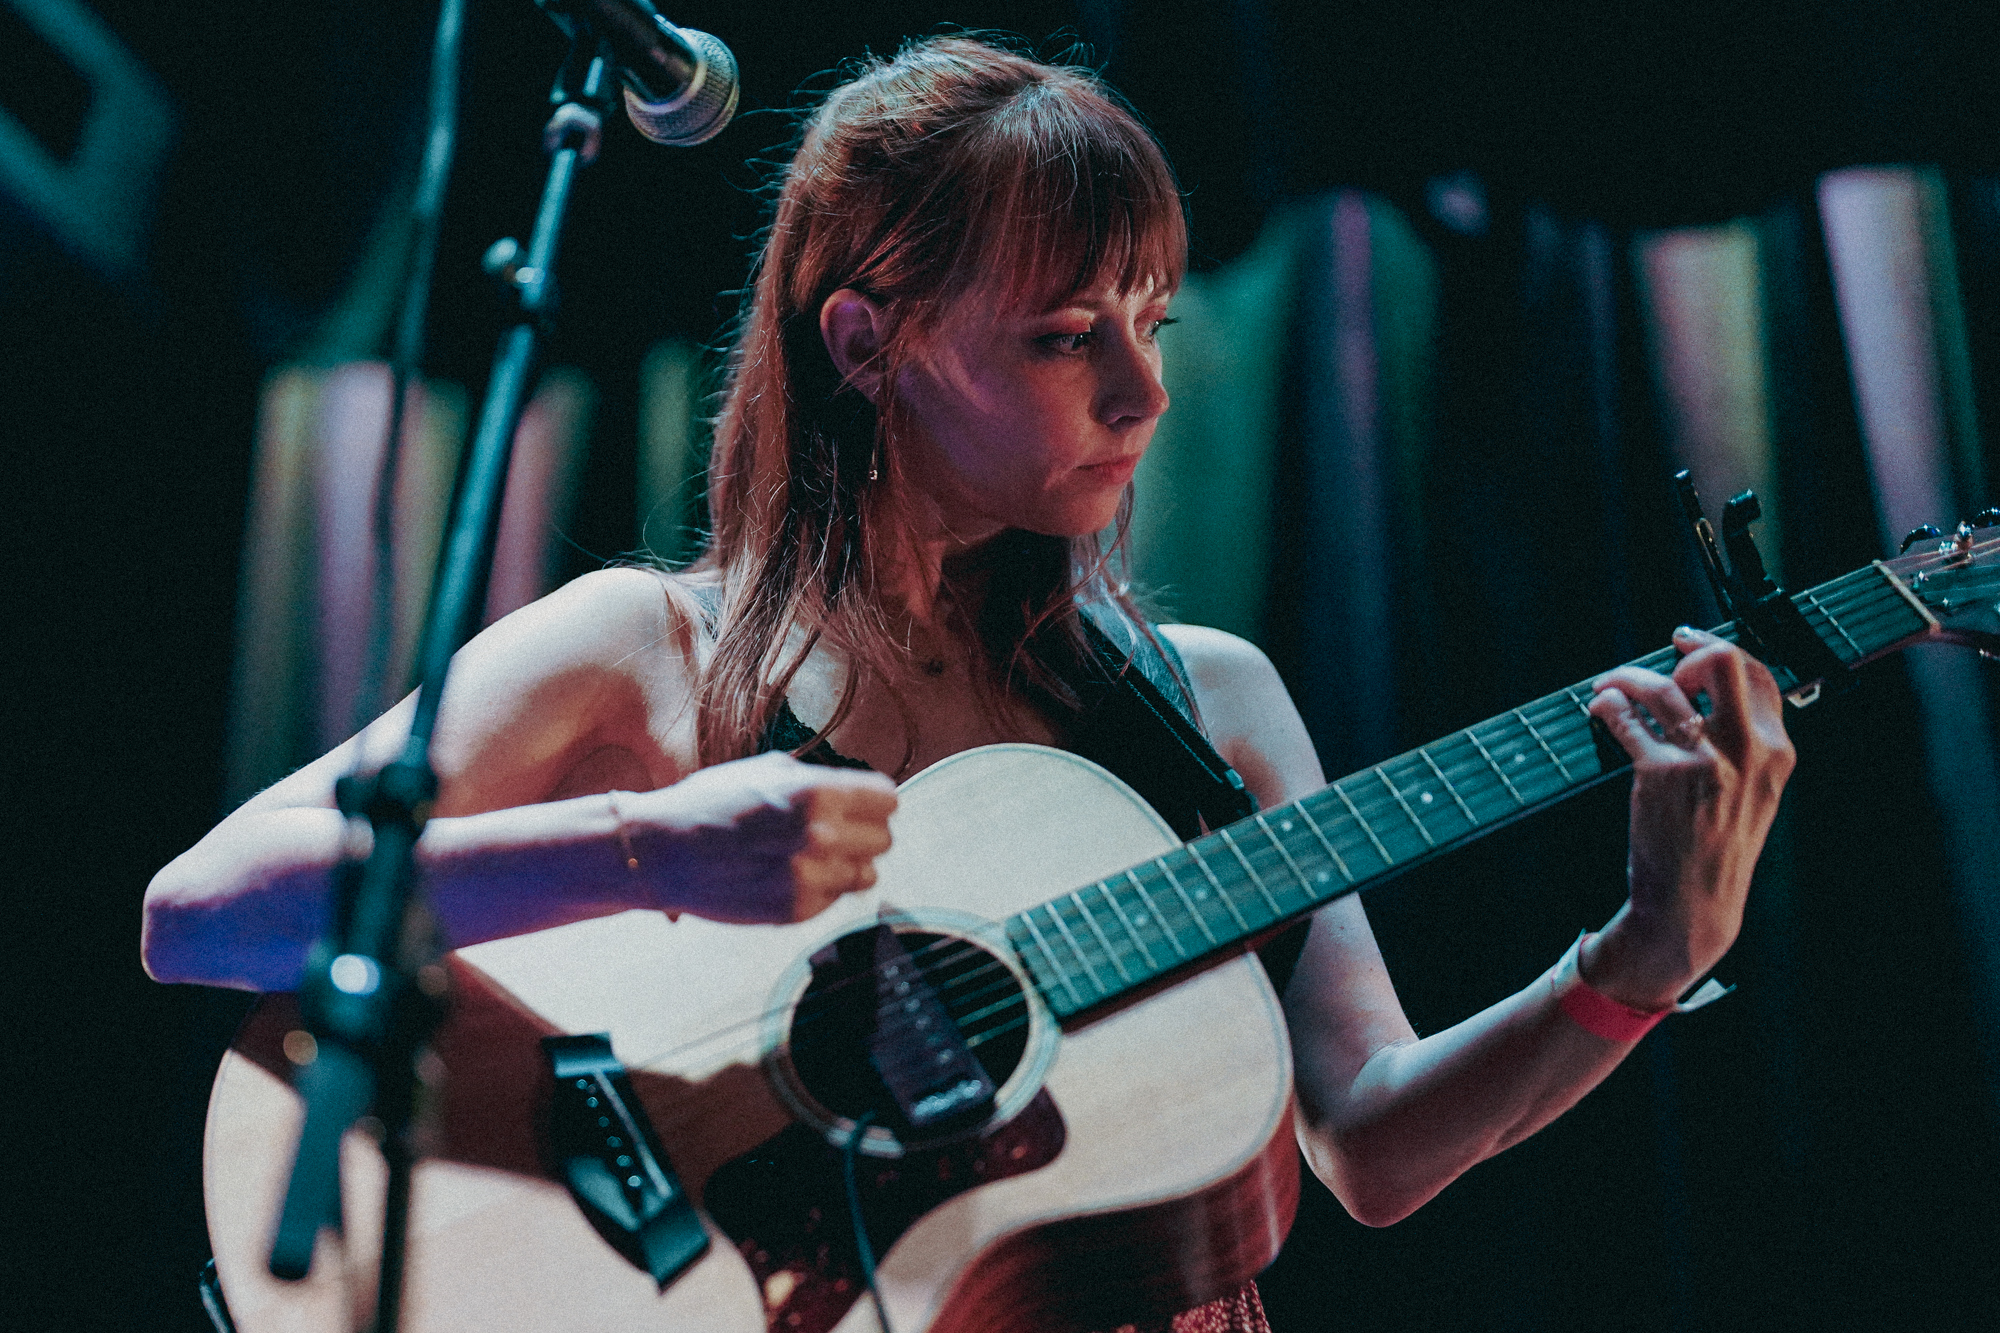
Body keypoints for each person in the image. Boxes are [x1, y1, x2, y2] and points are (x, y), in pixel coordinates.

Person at [144, 35, 1796, 1333]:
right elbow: (205, 907)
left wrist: (1641, 960)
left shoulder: (1206, 702)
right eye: (1069, 332)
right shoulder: (642, 646)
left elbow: (1369, 1145)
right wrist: (653, 853)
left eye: (1150, 315)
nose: (1146, 387)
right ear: (867, 343)